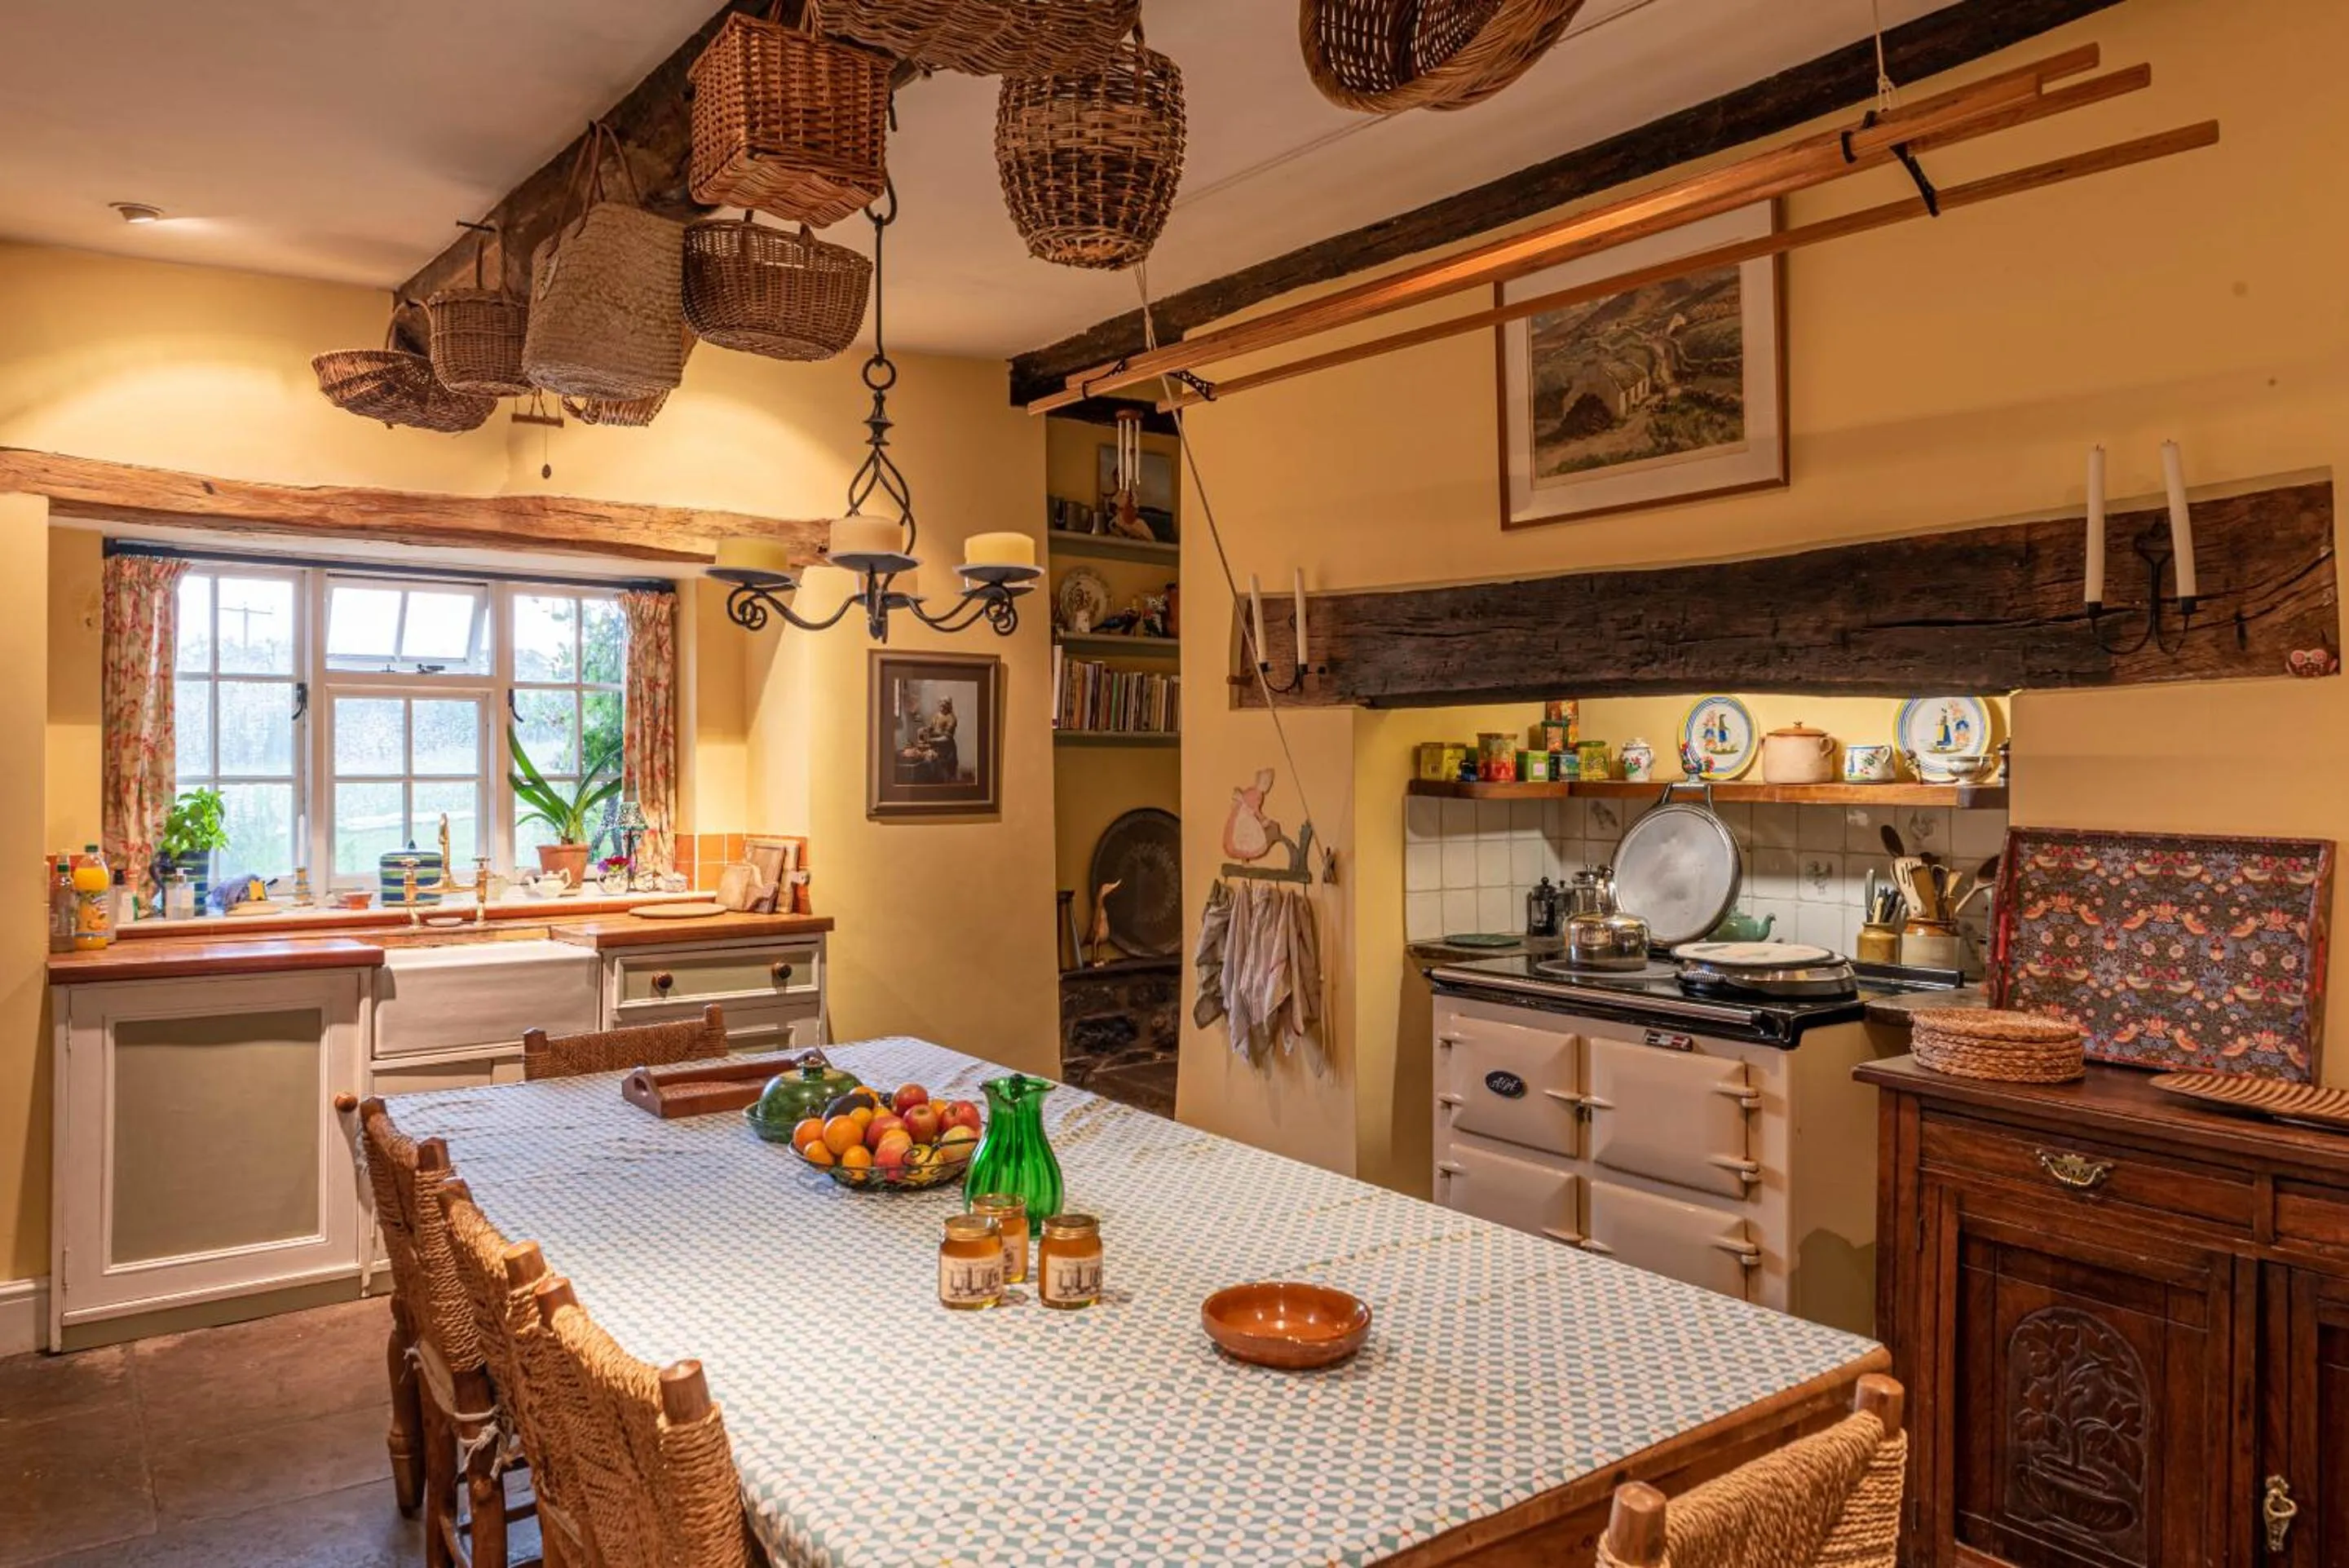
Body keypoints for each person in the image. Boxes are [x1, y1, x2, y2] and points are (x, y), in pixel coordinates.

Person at [898, 695, 960, 784]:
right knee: (930, 763)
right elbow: (931, 728)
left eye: (944, 706)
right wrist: (924, 729)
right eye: (940, 706)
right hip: (935, 745)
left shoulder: (951, 718)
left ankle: (944, 785)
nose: (941, 708)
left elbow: (947, 738)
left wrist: (930, 741)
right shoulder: (937, 715)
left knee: (945, 771)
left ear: (949, 706)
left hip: (946, 748)